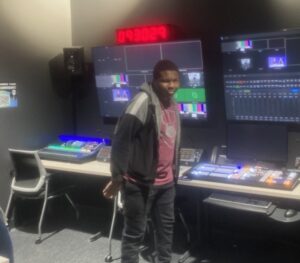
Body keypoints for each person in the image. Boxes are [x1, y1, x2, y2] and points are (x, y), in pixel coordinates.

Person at [103, 59, 181, 263]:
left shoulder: (173, 104)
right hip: (140, 184)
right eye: (166, 81)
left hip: (167, 183)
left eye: (175, 80)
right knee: (134, 235)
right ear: (155, 81)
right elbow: (121, 138)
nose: (171, 85)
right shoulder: (142, 101)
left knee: (166, 233)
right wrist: (117, 175)